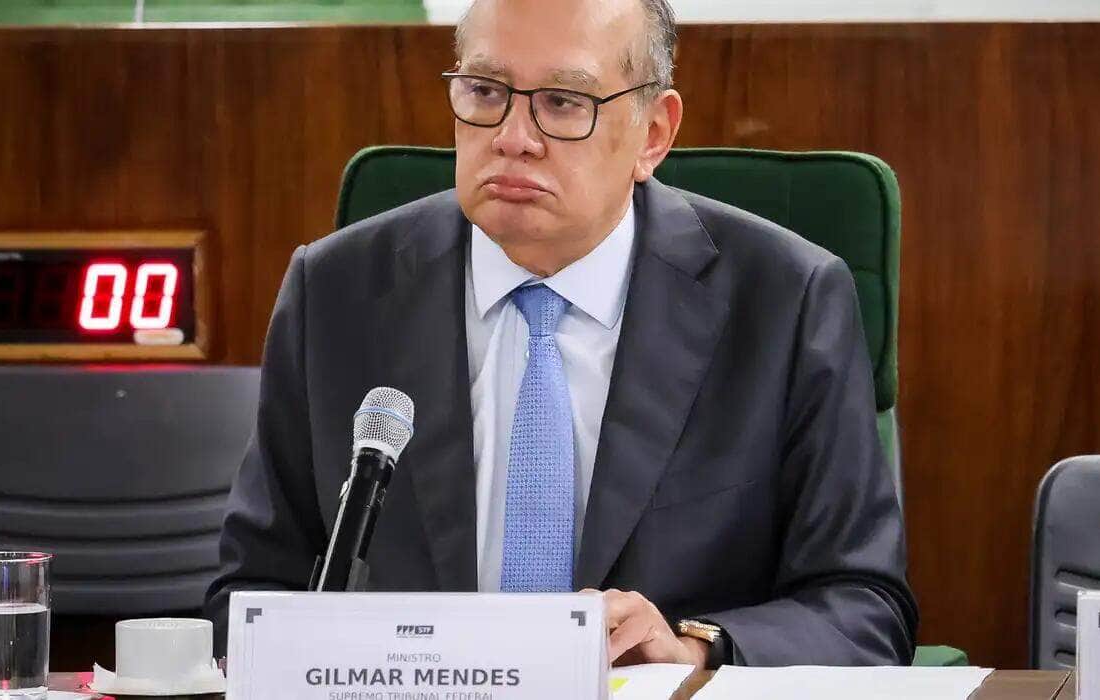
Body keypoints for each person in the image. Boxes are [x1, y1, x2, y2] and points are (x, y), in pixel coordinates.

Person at [205, 0, 918, 668]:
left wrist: (695, 648)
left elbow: (863, 607)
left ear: (654, 134)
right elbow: (250, 598)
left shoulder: (784, 301)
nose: (514, 139)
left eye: (563, 103)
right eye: (484, 91)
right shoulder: (337, 292)